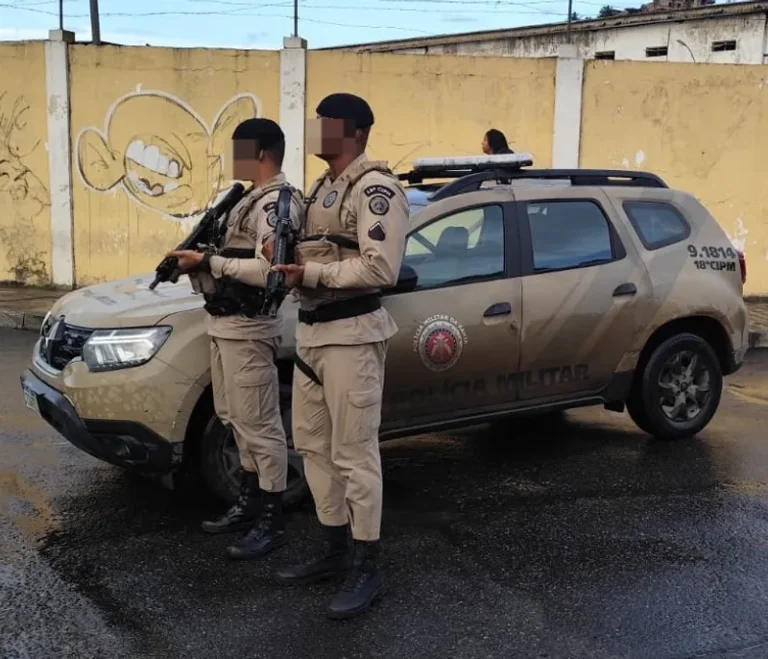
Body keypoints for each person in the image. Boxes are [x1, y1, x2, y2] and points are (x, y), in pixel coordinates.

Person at [270, 93, 409, 620]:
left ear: (351, 132)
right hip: (313, 337)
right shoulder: (322, 190)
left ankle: (367, 566)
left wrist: (313, 275)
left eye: (323, 123)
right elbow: (320, 255)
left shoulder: (375, 189)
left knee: (355, 455)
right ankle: (333, 549)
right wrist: (286, 264)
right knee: (313, 448)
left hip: (352, 336)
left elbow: (380, 269)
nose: (314, 130)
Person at [167, 118, 304, 561]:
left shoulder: (276, 204)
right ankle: (250, 503)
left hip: (249, 326)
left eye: (239, 149)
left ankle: (272, 519)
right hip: (223, 323)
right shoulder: (245, 199)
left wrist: (210, 261)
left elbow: (272, 271)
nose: (232, 158)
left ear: (261, 152)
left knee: (261, 426)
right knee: (235, 417)